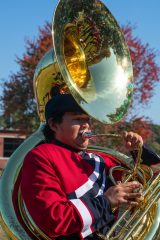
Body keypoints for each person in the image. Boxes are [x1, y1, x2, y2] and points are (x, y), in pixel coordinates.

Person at [15, 90, 160, 240]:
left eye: (88, 120)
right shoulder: (41, 156)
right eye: (78, 119)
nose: (86, 126)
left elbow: (151, 178)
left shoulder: (101, 158)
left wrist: (139, 152)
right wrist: (107, 201)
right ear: (53, 124)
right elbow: (53, 220)